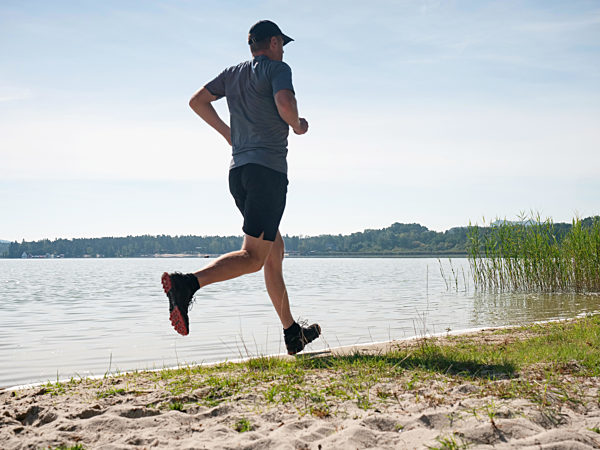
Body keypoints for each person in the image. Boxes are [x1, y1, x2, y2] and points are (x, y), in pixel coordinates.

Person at [161, 20, 321, 355]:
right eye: (282, 44)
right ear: (274, 42)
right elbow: (285, 104)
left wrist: (227, 134)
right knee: (252, 258)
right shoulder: (278, 68)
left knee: (273, 251)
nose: (282, 50)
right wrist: (298, 124)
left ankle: (292, 333)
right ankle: (186, 284)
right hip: (267, 173)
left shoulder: (232, 74)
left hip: (239, 173)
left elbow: (197, 101)